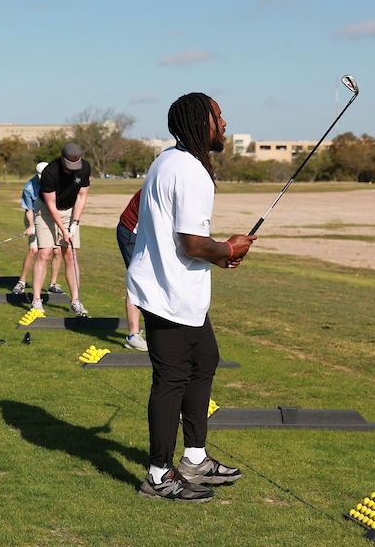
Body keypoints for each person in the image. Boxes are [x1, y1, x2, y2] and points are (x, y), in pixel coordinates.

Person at [128, 93, 255, 502]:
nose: (225, 123)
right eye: (219, 117)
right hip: (171, 293)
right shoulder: (190, 171)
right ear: (202, 123)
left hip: (178, 289)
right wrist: (230, 249)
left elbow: (186, 242)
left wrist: (219, 256)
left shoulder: (169, 159)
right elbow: (193, 244)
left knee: (205, 361)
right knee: (171, 380)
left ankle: (195, 459)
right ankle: (159, 475)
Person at [31, 143, 91, 316]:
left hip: (69, 211)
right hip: (46, 212)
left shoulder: (84, 167)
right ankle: (36, 300)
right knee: (44, 253)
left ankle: (76, 301)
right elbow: (50, 204)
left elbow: (82, 196)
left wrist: (75, 223)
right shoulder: (50, 172)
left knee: (70, 255)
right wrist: (63, 230)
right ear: (62, 158)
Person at [12, 162, 64, 299]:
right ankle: (21, 281)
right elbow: (29, 209)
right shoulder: (29, 187)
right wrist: (31, 225)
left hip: (53, 217)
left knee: (57, 251)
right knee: (34, 250)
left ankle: (52, 284)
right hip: (34, 217)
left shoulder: (56, 182)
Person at [116, 189, 148, 350]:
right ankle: (132, 335)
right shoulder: (153, 190)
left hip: (143, 234)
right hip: (131, 233)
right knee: (138, 280)